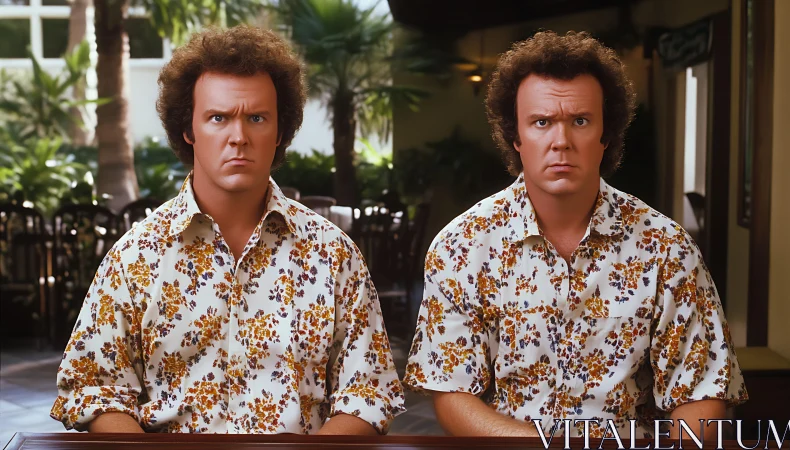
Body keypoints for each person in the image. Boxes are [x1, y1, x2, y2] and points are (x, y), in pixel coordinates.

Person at [51, 25, 404, 435]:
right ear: (188, 130)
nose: (239, 137)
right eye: (218, 117)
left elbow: (368, 394)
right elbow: (94, 390)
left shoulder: (333, 254)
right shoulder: (135, 256)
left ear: (280, 132)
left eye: (257, 118)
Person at [403, 31, 747, 439]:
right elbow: (452, 392)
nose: (560, 142)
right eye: (541, 122)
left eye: (580, 121)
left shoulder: (666, 247)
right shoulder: (462, 245)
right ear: (516, 137)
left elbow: (703, 392)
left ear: (606, 136)